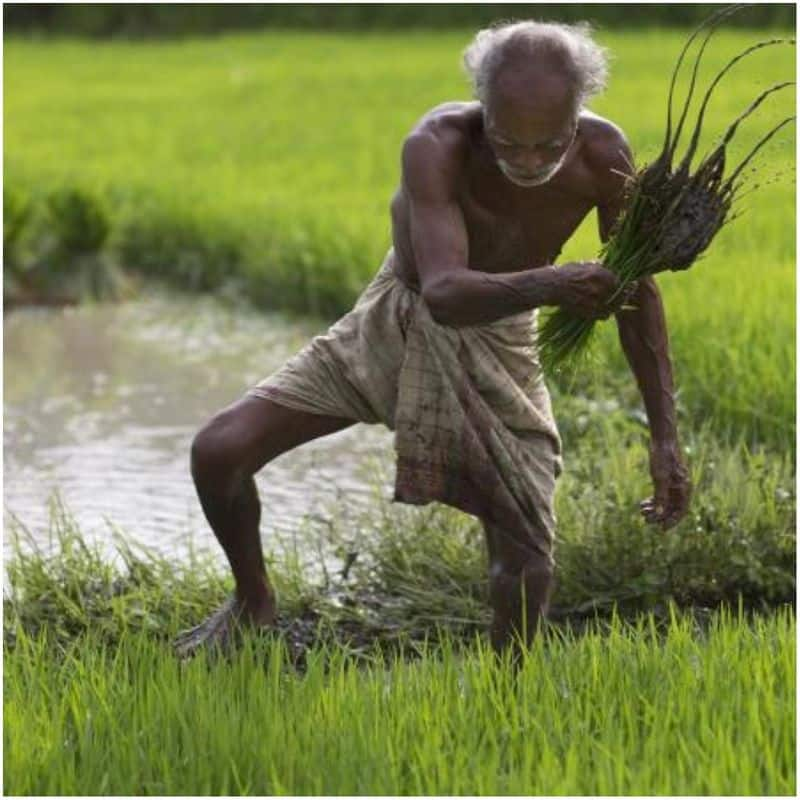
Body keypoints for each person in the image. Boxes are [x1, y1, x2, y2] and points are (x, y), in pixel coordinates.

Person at [174, 20, 691, 659]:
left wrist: (665, 437)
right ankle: (254, 604)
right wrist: (556, 281)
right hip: (398, 317)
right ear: (483, 106)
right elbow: (444, 294)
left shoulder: (604, 156)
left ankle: (509, 697)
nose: (528, 162)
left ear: (578, 116)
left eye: (548, 145)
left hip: (501, 341)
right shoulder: (437, 143)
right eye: (509, 141)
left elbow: (638, 294)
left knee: (526, 556)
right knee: (219, 452)